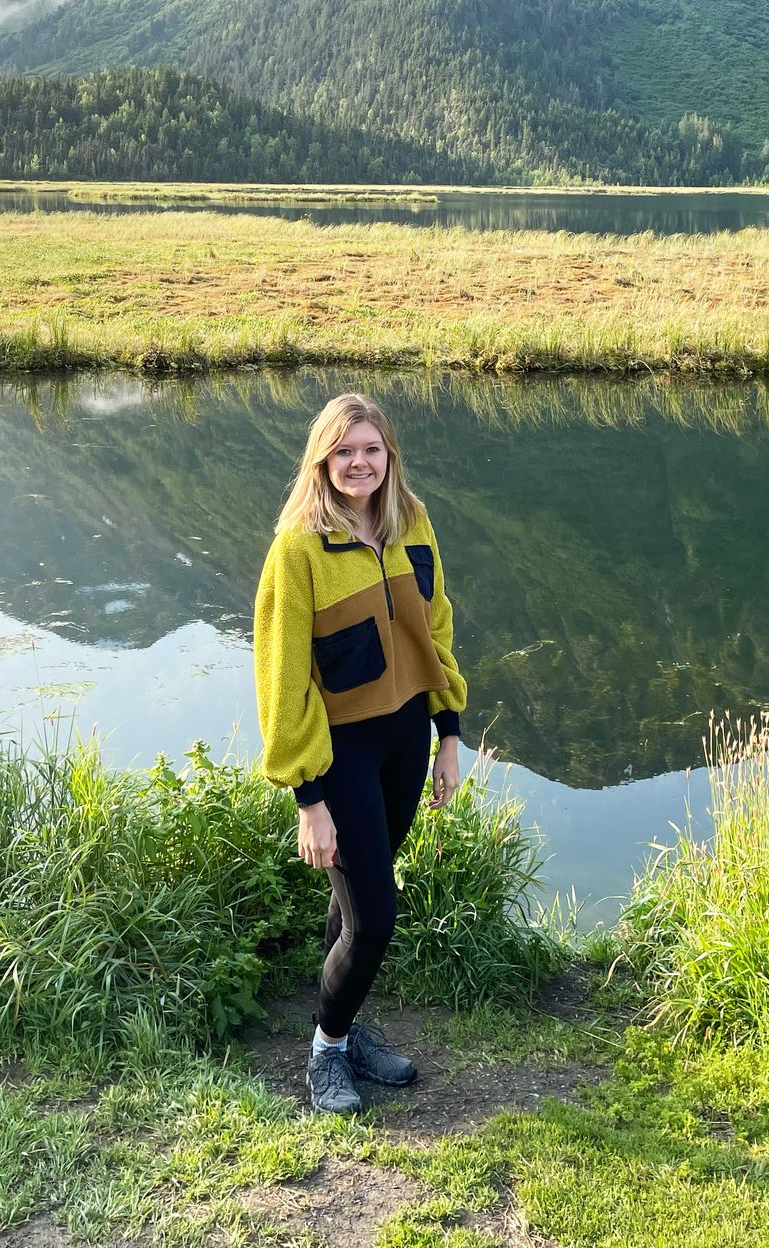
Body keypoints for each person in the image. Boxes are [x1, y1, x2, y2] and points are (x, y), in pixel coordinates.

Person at [253, 391, 467, 1115]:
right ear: (322, 460)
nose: (358, 463)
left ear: (389, 456)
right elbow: (281, 680)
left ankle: (339, 1028)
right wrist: (307, 797)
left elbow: (434, 627)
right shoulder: (299, 548)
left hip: (406, 735)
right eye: (343, 451)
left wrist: (448, 735)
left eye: (370, 449)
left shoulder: (413, 522)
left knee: (353, 904)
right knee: (374, 916)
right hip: (339, 750)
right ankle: (325, 1053)